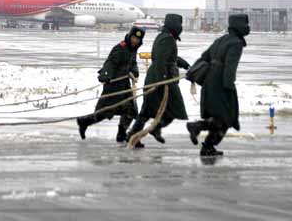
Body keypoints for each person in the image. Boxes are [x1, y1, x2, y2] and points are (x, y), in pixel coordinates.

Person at [186, 14, 250, 157]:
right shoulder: (236, 43)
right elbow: (230, 67)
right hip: (220, 84)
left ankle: (207, 146)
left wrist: (194, 72)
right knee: (226, 117)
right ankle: (197, 128)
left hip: (210, 82)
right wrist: (229, 87)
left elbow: (204, 57)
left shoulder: (220, 40)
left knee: (218, 118)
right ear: (240, 26)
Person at [127, 14, 190, 147]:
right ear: (174, 25)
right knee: (174, 110)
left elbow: (168, 58)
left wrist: (183, 63)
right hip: (161, 81)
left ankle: (134, 134)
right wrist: (162, 79)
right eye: (179, 24)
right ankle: (150, 130)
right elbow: (161, 61)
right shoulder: (167, 39)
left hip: (160, 78)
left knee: (148, 111)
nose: (181, 27)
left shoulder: (166, 37)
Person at [77, 26, 145, 142]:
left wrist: (134, 70)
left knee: (130, 110)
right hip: (113, 85)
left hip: (124, 85)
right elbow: (111, 63)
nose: (135, 41)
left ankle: (121, 134)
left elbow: (132, 62)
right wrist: (106, 75)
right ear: (130, 36)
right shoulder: (121, 48)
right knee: (104, 112)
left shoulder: (132, 49)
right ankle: (84, 122)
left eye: (137, 39)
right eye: (133, 38)